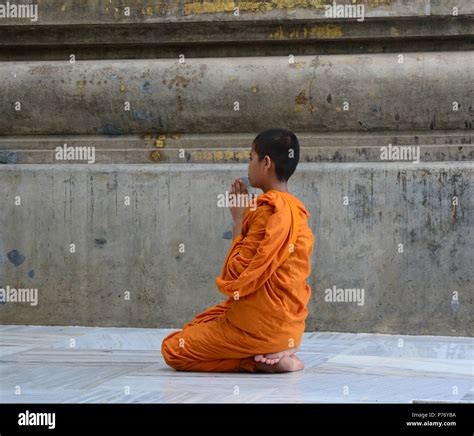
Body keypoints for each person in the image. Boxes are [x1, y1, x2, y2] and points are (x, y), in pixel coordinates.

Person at [161, 128, 315, 373]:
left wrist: (237, 221)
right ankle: (274, 353)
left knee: (173, 348)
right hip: (290, 329)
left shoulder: (267, 211)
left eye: (250, 158)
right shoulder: (298, 211)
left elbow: (237, 276)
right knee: (205, 322)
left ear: (266, 163)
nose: (248, 165)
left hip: (258, 329)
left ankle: (254, 359)